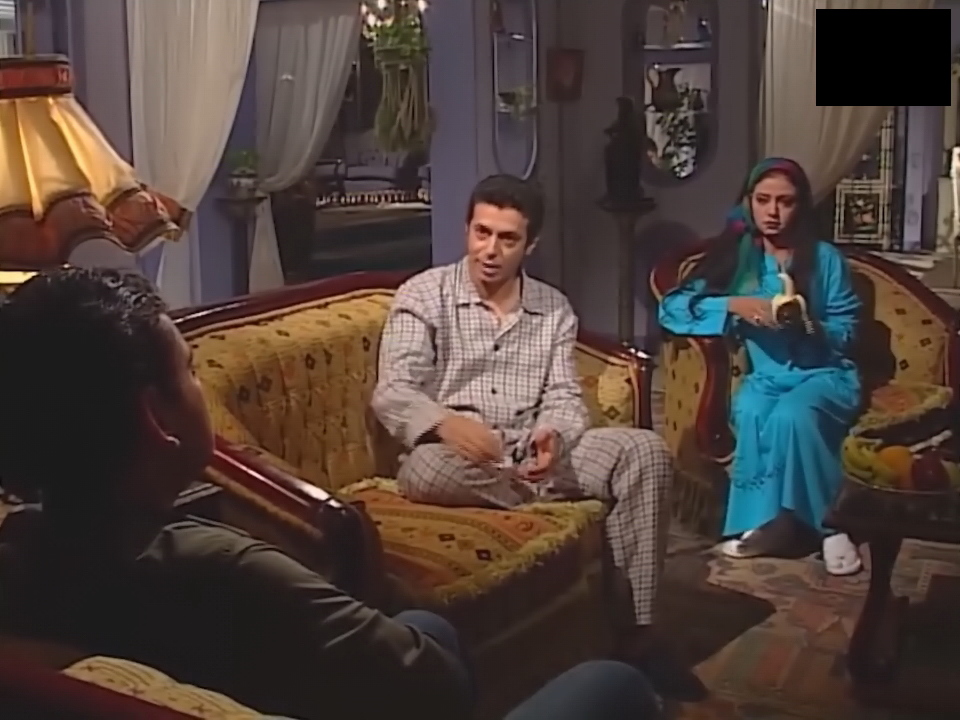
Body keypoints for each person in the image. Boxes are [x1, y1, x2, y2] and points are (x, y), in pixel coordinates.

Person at [0, 267, 662, 720]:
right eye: (192, 372)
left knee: (428, 627)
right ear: (156, 418)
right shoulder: (223, 567)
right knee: (614, 685)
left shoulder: (24, 548)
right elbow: (435, 688)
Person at [371, 174, 698, 698]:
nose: (490, 250)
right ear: (466, 229)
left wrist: (553, 435)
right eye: (481, 232)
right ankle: (540, 496)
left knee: (644, 450)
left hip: (531, 452)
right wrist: (446, 424)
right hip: (456, 457)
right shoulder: (425, 295)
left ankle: (639, 635)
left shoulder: (553, 308)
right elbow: (393, 391)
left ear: (530, 244)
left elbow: (566, 396)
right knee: (425, 470)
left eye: (507, 239)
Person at [658, 157, 863, 576]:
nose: (772, 212)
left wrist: (809, 324)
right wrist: (735, 304)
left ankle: (831, 526)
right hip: (766, 378)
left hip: (824, 375)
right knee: (751, 410)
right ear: (748, 202)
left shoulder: (824, 259)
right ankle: (771, 523)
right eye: (763, 200)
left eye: (785, 202)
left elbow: (848, 333)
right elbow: (673, 308)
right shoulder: (737, 258)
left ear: (801, 206)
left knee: (792, 416)